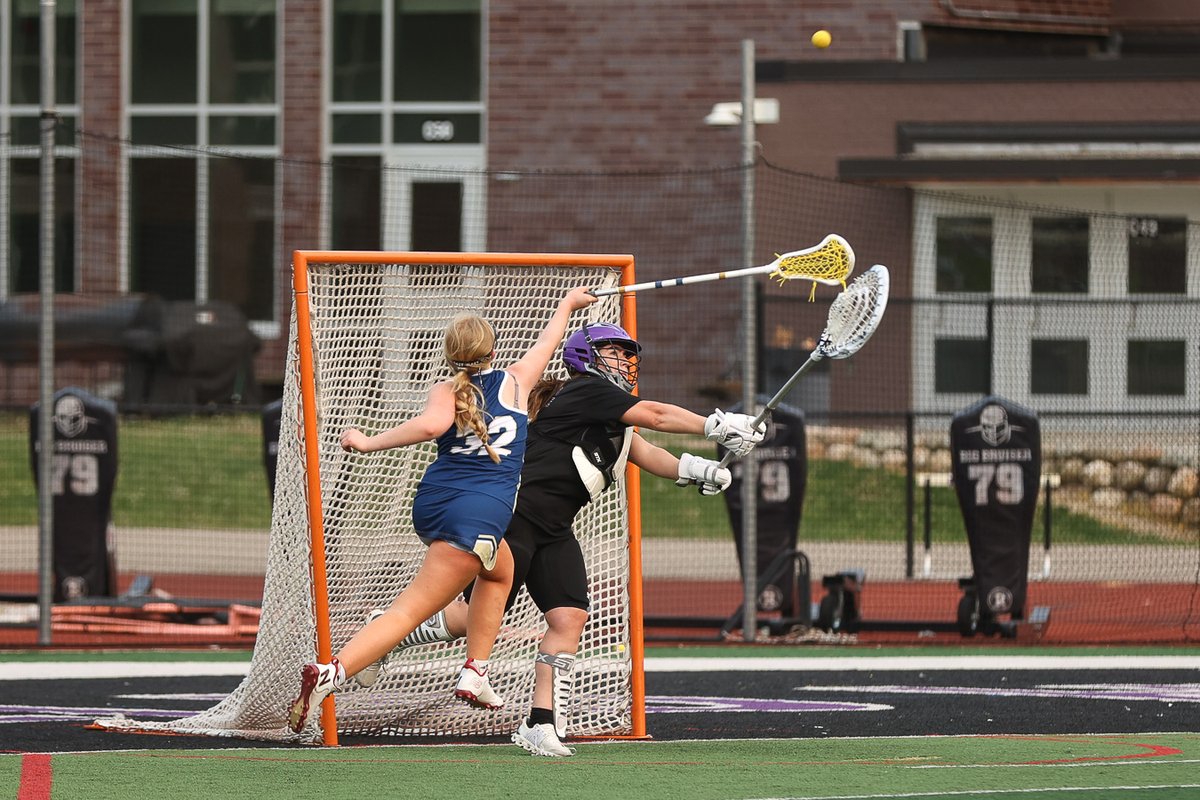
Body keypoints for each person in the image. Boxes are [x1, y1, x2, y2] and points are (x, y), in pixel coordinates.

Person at [357, 322, 765, 756]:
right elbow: (658, 415)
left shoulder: (610, 413)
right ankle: (390, 631)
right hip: (516, 519)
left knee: (568, 618)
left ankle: (540, 721)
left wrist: (701, 470)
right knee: (472, 618)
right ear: (585, 356)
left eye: (628, 354)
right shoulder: (586, 390)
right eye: (615, 351)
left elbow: (644, 453)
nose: (626, 360)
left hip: (554, 529)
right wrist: (718, 425)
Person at [286, 286, 598, 734]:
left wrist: (368, 439)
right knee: (408, 612)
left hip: (435, 503)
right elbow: (548, 342)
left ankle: (476, 670)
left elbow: (434, 425)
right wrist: (567, 305)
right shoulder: (514, 381)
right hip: (477, 514)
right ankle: (333, 671)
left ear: (449, 355)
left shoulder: (446, 388)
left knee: (501, 572)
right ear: (492, 349)